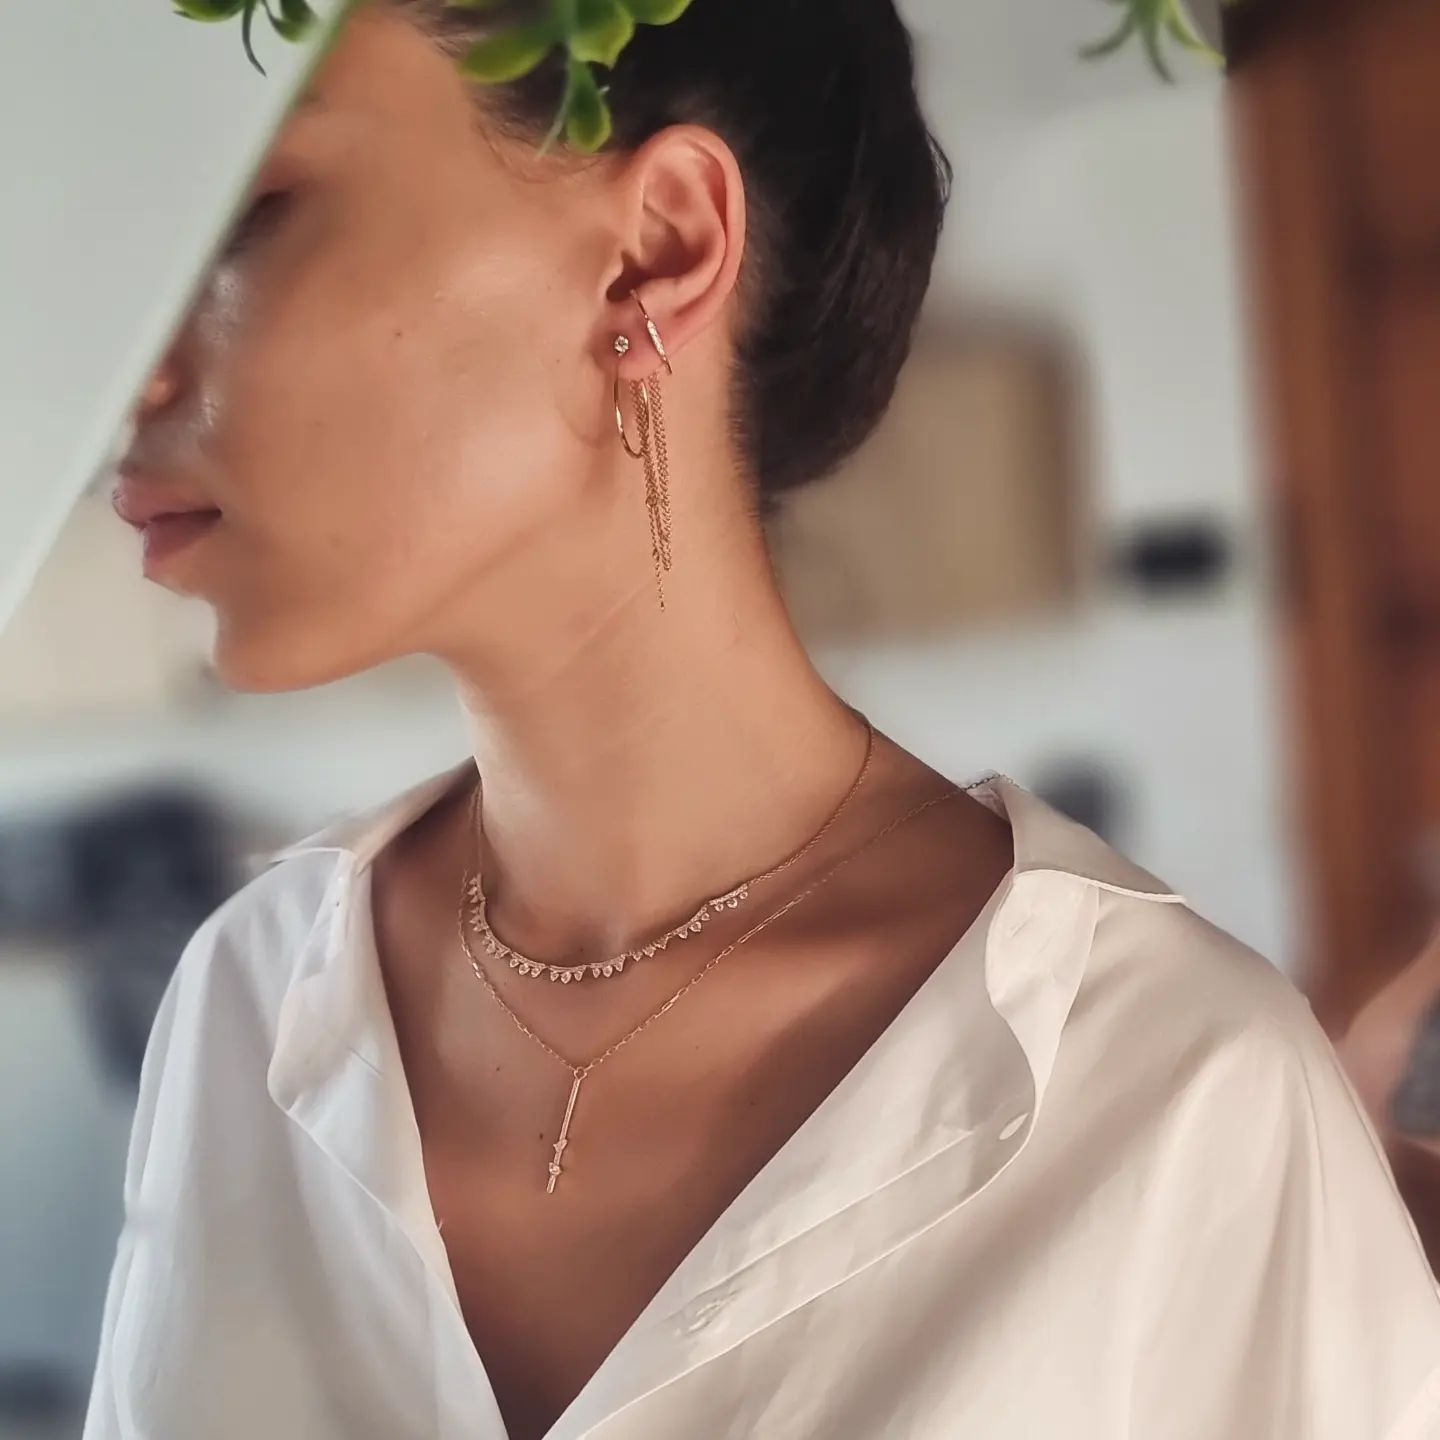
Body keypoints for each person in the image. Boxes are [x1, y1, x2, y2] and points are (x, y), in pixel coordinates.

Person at [85, 2, 1440, 1437]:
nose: (130, 370)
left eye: (247, 220)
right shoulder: (248, 1006)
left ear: (658, 248)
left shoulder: (1173, 1088)